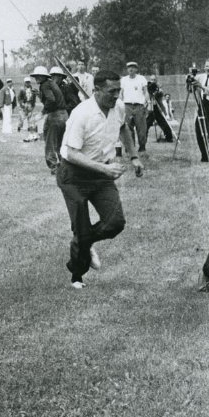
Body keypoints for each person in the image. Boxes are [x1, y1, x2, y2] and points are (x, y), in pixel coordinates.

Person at [57, 69, 142, 289]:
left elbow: (123, 128)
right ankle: (77, 275)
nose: (116, 96)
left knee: (115, 223)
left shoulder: (119, 107)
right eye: (111, 91)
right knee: (82, 225)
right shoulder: (81, 114)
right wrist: (104, 171)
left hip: (100, 173)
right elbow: (72, 153)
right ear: (96, 90)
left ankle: (85, 242)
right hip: (73, 175)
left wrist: (134, 157)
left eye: (118, 91)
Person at [31, 65, 67, 173]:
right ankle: (65, 166)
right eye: (35, 76)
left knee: (50, 142)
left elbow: (51, 100)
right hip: (64, 115)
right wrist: (40, 95)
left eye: (38, 76)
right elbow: (53, 98)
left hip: (55, 116)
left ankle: (54, 166)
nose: (36, 78)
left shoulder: (44, 85)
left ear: (43, 77)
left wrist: (42, 112)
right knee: (61, 142)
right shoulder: (51, 83)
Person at [119, 60, 150, 153]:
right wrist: (121, 103)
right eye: (129, 67)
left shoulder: (141, 79)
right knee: (128, 128)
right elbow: (121, 93)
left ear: (136, 69)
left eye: (133, 67)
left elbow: (145, 91)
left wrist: (146, 101)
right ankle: (130, 147)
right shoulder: (123, 80)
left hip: (139, 106)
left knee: (141, 128)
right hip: (127, 105)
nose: (131, 69)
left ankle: (142, 146)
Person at [192, 57, 209, 162]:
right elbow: (191, 88)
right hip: (201, 106)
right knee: (199, 130)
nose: (207, 68)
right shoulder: (201, 77)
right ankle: (204, 156)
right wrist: (189, 81)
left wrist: (202, 87)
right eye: (206, 66)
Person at [145, 75, 174, 143]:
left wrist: (157, 92)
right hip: (150, 107)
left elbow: (161, 95)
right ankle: (143, 138)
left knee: (163, 122)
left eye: (154, 79)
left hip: (157, 108)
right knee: (147, 123)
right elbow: (146, 95)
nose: (153, 81)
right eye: (152, 79)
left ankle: (169, 137)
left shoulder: (158, 88)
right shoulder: (148, 87)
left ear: (156, 80)